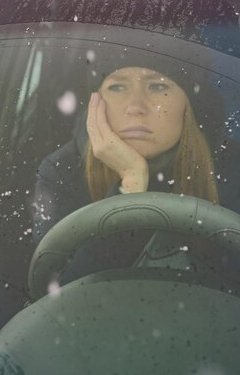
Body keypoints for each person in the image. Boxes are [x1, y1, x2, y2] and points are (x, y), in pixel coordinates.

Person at [32, 66, 221, 282]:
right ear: (96, 103)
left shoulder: (238, 169)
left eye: (158, 86)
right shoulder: (62, 172)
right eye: (117, 86)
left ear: (188, 103)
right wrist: (131, 183)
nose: (135, 107)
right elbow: (57, 292)